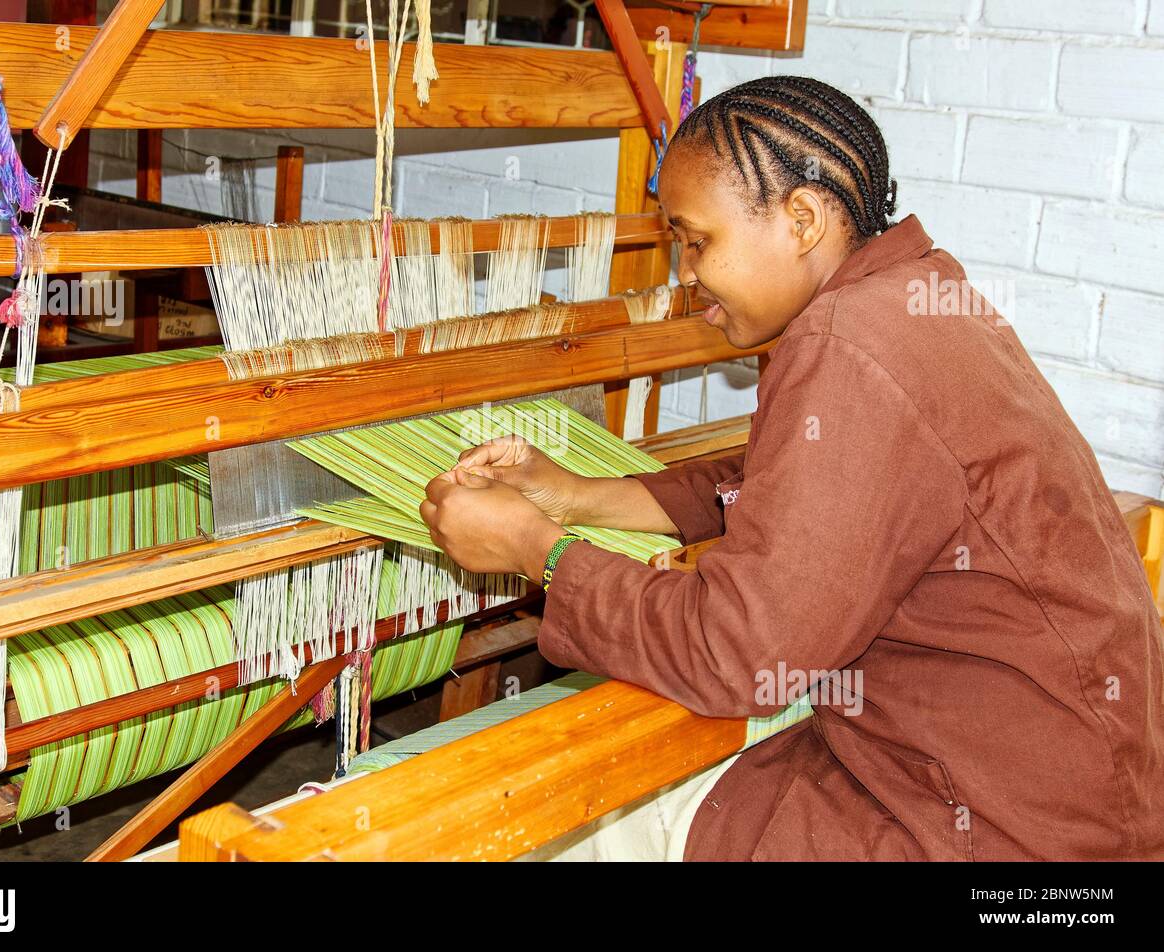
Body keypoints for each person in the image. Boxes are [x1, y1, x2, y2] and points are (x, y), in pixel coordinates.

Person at [419, 76, 1164, 860]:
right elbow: (792, 473)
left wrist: (538, 553)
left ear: (801, 220)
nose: (688, 270)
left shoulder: (846, 341)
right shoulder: (915, 295)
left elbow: (734, 655)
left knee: (548, 832)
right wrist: (576, 498)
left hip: (994, 831)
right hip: (1066, 792)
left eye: (698, 239)